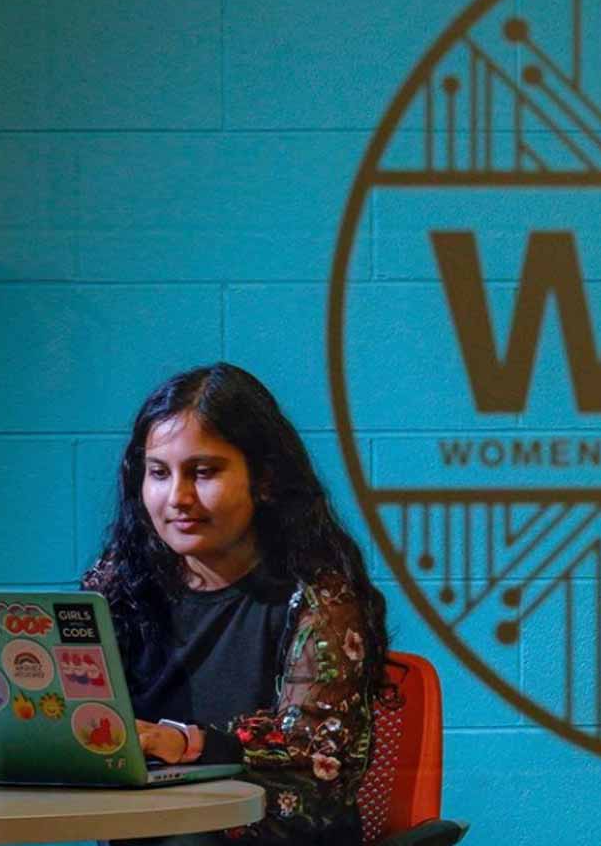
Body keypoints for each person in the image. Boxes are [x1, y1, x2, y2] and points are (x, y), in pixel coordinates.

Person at [83, 362, 388, 846]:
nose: (177, 497)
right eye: (159, 473)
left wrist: (188, 744)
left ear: (264, 480)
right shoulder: (121, 586)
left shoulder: (318, 600)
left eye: (203, 472)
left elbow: (314, 773)